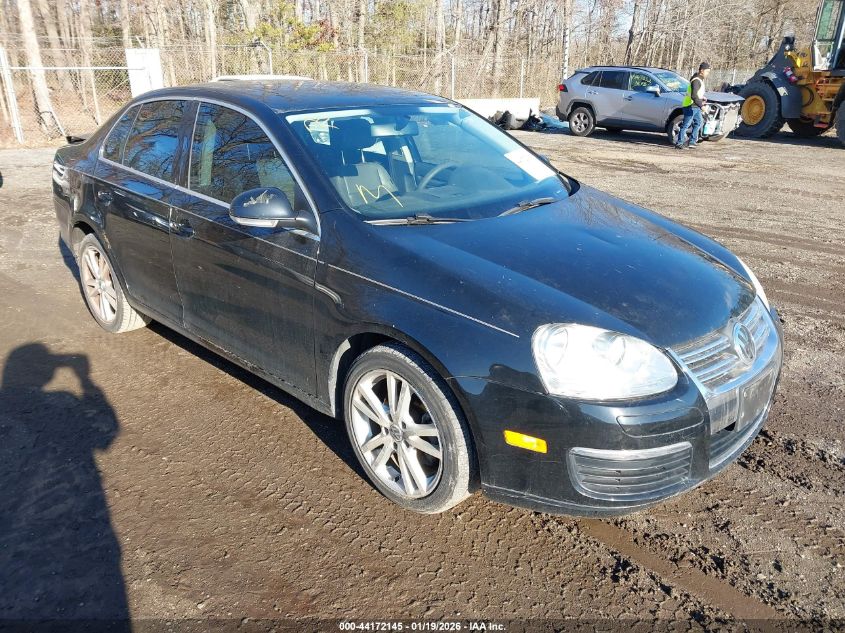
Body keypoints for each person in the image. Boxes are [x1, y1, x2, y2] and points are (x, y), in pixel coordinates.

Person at [675, 62, 711, 150]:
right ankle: (679, 143)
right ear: (702, 71)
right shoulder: (696, 81)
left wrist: (702, 97)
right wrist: (701, 106)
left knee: (699, 122)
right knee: (686, 125)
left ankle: (692, 142)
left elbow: (696, 94)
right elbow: (694, 95)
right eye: (707, 71)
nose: (708, 73)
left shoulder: (699, 79)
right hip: (690, 105)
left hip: (695, 106)